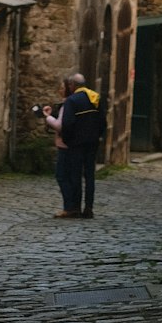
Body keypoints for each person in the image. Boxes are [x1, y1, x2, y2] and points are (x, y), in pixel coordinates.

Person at [57, 71, 106, 219]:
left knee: (75, 175)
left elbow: (68, 123)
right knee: (90, 175)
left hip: (76, 143)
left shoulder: (72, 101)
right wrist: (98, 135)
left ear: (72, 85)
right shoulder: (95, 98)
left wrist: (66, 139)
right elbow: (103, 121)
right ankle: (89, 207)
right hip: (92, 142)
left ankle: (76, 208)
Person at [41, 77, 78, 218]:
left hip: (65, 145)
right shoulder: (73, 103)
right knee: (70, 175)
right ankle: (73, 206)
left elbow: (59, 125)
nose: (60, 90)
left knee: (62, 175)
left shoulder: (68, 104)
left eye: (62, 88)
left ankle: (69, 207)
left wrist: (47, 118)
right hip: (72, 145)